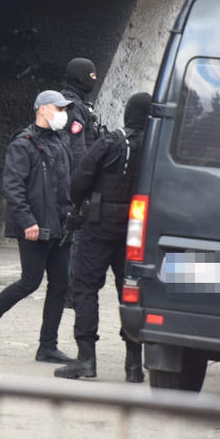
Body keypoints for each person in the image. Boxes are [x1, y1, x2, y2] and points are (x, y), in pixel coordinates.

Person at [0, 90, 75, 362]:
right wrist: (28, 221)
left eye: (65, 109)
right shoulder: (23, 143)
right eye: (58, 108)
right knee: (30, 281)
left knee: (60, 285)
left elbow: (65, 184)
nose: (63, 114)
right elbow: (13, 187)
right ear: (42, 110)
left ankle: (47, 346)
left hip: (61, 225)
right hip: (34, 227)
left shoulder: (61, 141)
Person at [54, 92, 151, 383]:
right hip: (135, 229)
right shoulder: (155, 147)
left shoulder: (111, 142)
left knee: (85, 288)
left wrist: (77, 202)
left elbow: (81, 178)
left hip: (98, 225)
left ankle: (86, 359)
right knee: (131, 292)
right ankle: (134, 365)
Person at [61, 57, 102, 309]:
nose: (93, 80)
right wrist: (84, 183)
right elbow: (76, 151)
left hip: (74, 179)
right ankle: (69, 292)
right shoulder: (72, 107)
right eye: (90, 76)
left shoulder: (78, 105)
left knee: (74, 234)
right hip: (74, 180)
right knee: (76, 235)